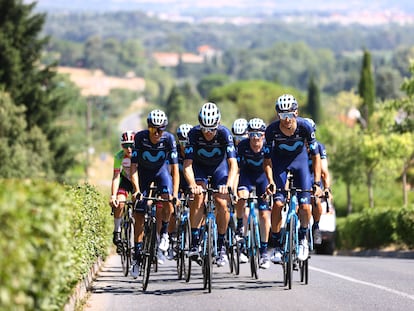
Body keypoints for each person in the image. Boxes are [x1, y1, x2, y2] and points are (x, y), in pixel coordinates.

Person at [263, 94, 322, 263]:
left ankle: (303, 238)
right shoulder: (271, 130)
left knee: (305, 205)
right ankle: (276, 244)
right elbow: (266, 161)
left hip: (300, 163)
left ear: (296, 113)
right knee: (278, 203)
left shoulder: (305, 127)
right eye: (282, 115)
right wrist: (271, 181)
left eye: (289, 114)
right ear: (277, 115)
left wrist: (317, 183)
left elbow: (316, 156)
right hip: (279, 164)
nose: (286, 119)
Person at [183, 102, 238, 267]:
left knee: (222, 202)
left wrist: (228, 185)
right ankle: (194, 242)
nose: (208, 133)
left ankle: (221, 246)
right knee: (197, 197)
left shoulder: (224, 134)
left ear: (218, 124)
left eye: (212, 129)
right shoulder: (193, 134)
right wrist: (192, 184)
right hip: (199, 169)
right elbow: (187, 165)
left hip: (219, 170)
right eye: (205, 129)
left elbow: (233, 165)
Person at [130, 109, 179, 278]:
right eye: (153, 129)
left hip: (161, 173)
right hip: (143, 174)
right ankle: (136, 256)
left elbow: (175, 170)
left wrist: (175, 194)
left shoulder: (168, 139)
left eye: (160, 129)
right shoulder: (140, 138)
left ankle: (164, 233)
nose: (156, 133)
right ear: (148, 128)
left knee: (167, 200)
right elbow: (134, 167)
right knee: (139, 213)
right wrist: (136, 190)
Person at [235, 118, 271, 269]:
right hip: (247, 176)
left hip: (262, 178)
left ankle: (263, 252)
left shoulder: (268, 146)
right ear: (248, 134)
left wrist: (271, 183)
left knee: (264, 214)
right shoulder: (242, 146)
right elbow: (236, 169)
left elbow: (271, 166)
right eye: (252, 134)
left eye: (259, 134)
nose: (255, 137)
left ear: (263, 135)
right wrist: (234, 189)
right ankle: (239, 226)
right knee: (242, 198)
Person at [303, 118, 333, 245]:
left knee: (315, 200)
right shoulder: (296, 148)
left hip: (314, 176)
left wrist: (327, 188)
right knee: (301, 204)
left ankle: (316, 226)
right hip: (301, 176)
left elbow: (324, 171)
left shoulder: (319, 147)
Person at [109, 130, 135, 253]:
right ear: (121, 146)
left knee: (140, 204)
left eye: (132, 145)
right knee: (119, 202)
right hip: (125, 180)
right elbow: (115, 177)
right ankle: (117, 231)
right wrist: (113, 196)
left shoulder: (140, 155)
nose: (129, 149)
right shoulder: (119, 156)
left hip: (137, 181)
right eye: (125, 146)